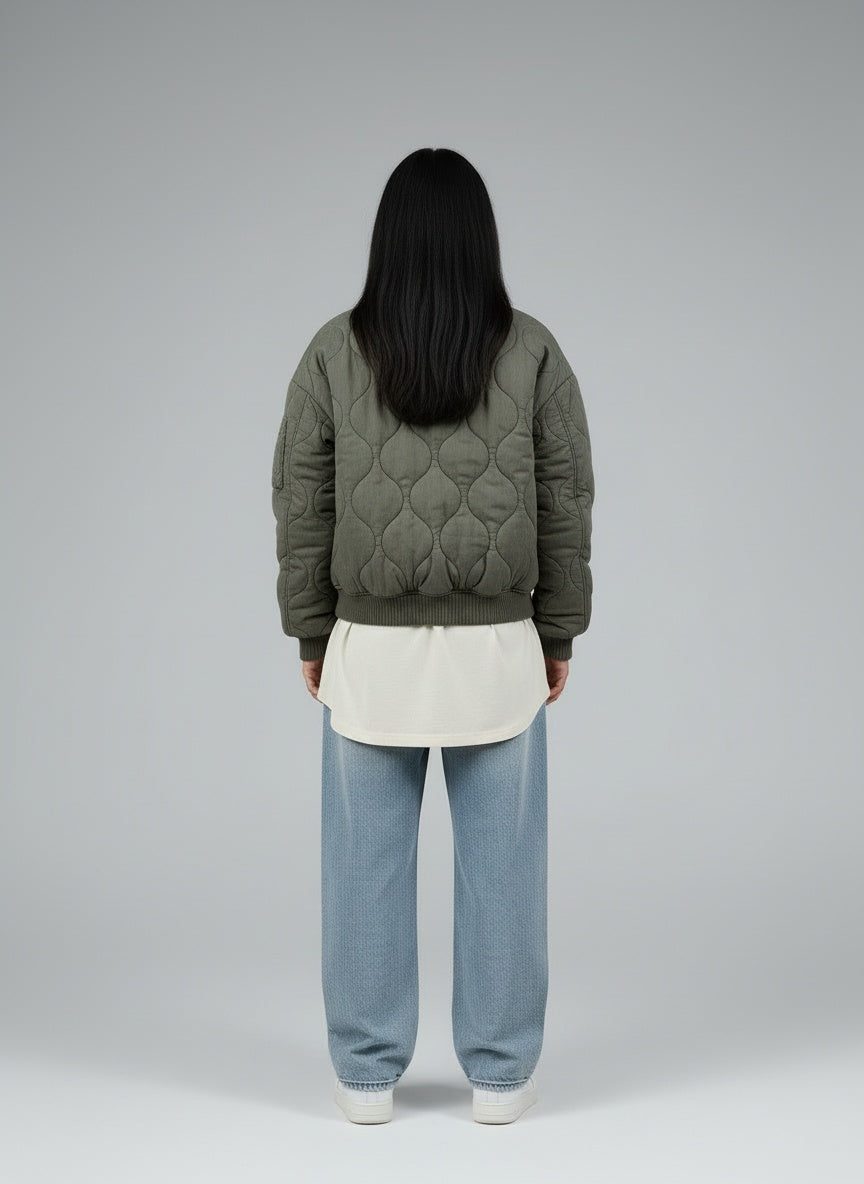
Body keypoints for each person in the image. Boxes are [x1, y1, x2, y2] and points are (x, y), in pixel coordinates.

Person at [270, 147, 595, 1125]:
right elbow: (566, 501)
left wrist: (309, 632)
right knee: (505, 872)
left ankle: (365, 1075)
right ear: (479, 240)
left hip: (371, 650)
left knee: (363, 871)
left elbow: (302, 505)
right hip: (497, 648)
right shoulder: (533, 351)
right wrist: (559, 631)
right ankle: (501, 1075)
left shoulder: (332, 352)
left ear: (389, 242)